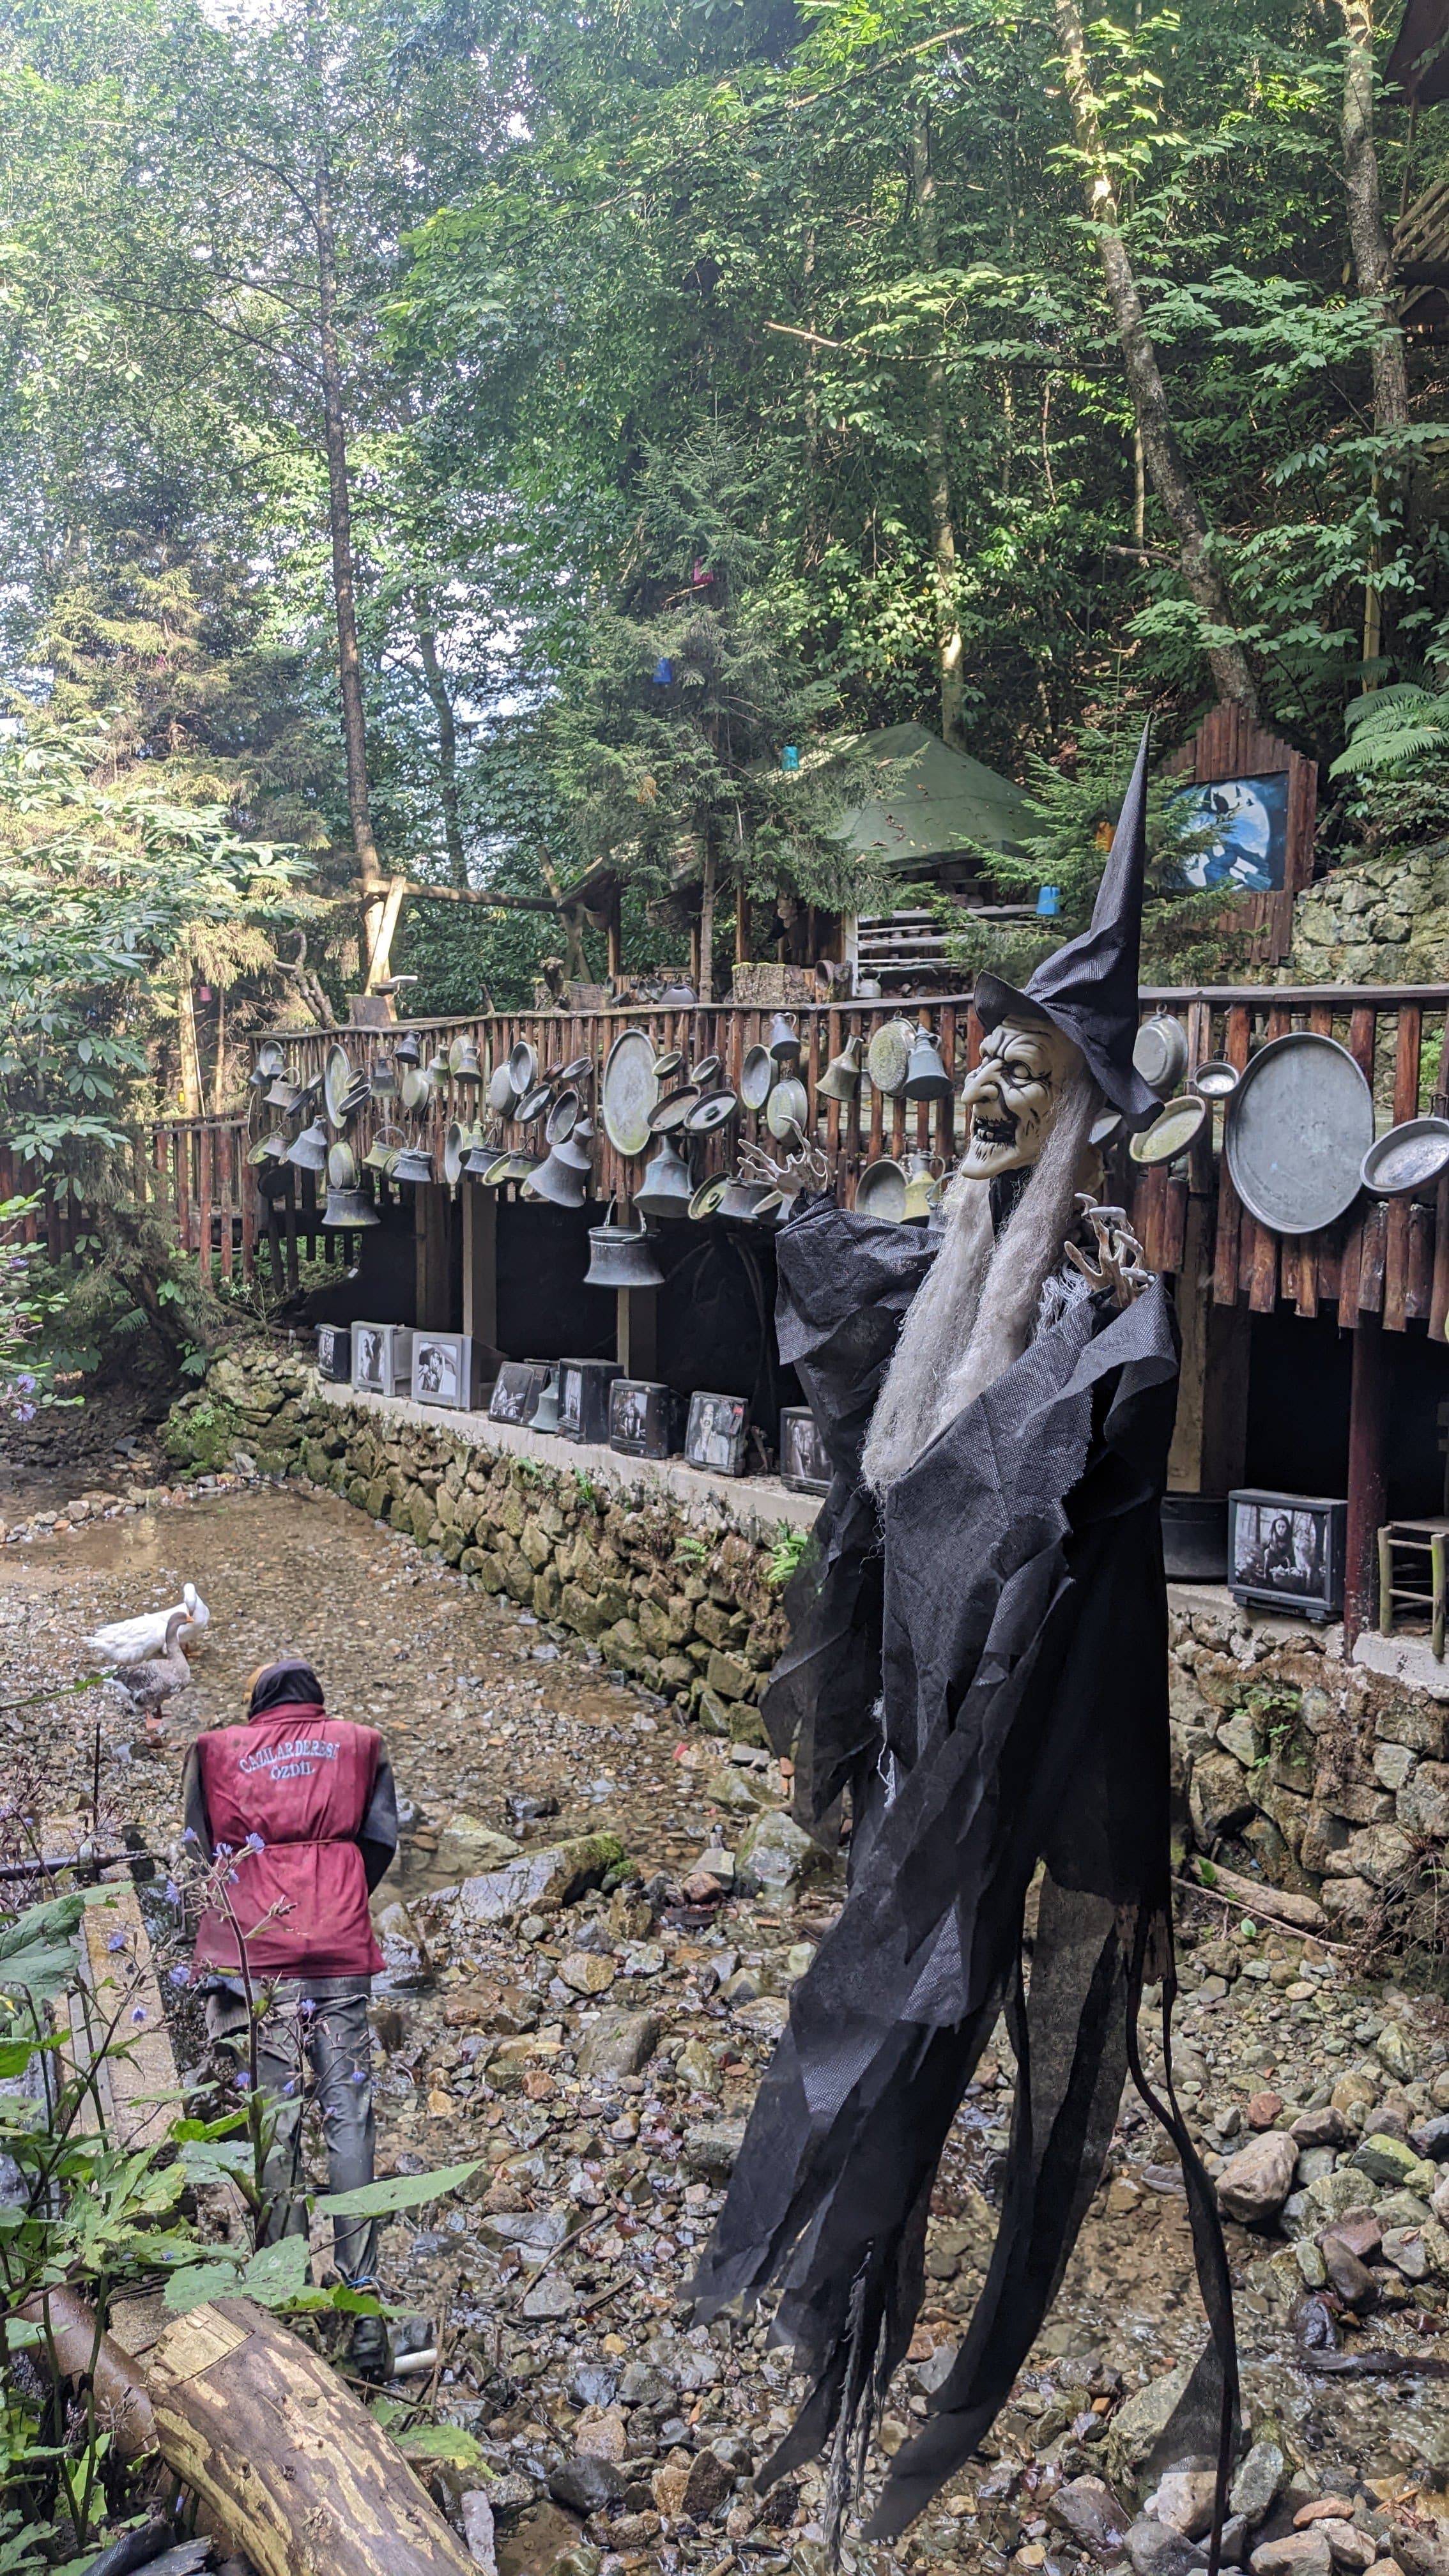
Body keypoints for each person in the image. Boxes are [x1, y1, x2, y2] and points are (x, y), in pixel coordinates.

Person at [691, 728, 1238, 2556]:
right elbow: (882, 1426)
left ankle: (907, 2394)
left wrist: (1098, 1346)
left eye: (1020, 1074)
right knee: (879, 2039)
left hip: (1002, 1751)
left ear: (1083, 1099)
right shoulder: (960, 1244)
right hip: (921, 1729)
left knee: (941, 2039)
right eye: (982, 1067)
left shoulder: (1097, 1307)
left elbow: (1054, 1499)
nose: (984, 1098)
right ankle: (833, 2382)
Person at [180, 1654, 398, 2377]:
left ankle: (287, 2294)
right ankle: (362, 2298)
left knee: (275, 2116)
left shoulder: (214, 1751)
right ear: (316, 1701)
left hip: (257, 1953)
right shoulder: (361, 1744)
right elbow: (380, 1843)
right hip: (337, 1947)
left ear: (258, 1707)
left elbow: (200, 1848)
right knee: (349, 2112)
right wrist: (333, 1892)